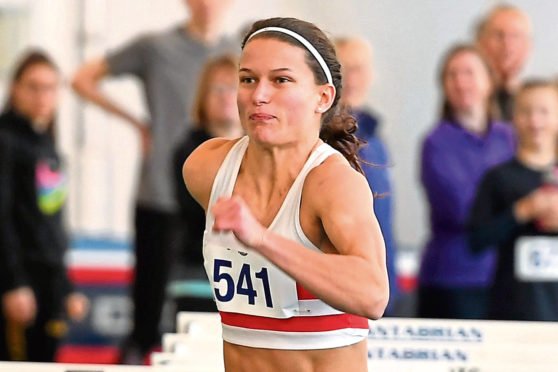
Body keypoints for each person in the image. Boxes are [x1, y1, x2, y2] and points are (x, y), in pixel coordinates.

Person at [183, 17, 389, 372]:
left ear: (323, 97)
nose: (259, 95)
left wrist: (262, 239)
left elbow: (373, 294)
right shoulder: (206, 168)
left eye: (281, 80)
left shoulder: (332, 183)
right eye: (248, 79)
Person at [71, 0, 236, 362]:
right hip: (161, 193)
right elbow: (82, 78)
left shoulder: (237, 52)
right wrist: (135, 123)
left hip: (218, 199)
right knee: (147, 314)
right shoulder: (155, 47)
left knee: (221, 316)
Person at [0, 50, 88, 362]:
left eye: (51, 88)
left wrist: (65, 286)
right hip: (19, 283)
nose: (42, 96)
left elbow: (50, 223)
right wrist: (13, 284)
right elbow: (3, 219)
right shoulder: (6, 140)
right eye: (33, 87)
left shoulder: (46, 144)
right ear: (15, 89)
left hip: (47, 282)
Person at [418, 44, 515, 319]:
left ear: (489, 81)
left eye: (469, 73)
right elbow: (463, 209)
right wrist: (518, 211)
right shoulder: (436, 142)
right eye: (452, 75)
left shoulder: (509, 136)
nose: (461, 82)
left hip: (506, 276)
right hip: (454, 277)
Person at [468, 80, 558, 321]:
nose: (535, 121)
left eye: (544, 112)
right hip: (513, 310)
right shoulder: (498, 178)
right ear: (514, 118)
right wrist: (521, 212)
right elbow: (476, 239)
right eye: (526, 112)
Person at [172, 54, 242, 307]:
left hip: (252, 276)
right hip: (197, 274)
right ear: (203, 97)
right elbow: (206, 212)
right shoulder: (188, 151)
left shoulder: (264, 148)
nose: (225, 96)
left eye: (233, 88)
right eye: (217, 89)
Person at [334, 36, 398, 314]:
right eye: (343, 70)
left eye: (358, 69)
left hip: (380, 280)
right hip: (341, 285)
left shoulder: (375, 136)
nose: (351, 79)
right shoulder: (320, 139)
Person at [476, 4, 532, 122]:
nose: (507, 44)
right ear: (481, 43)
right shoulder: (467, 95)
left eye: (515, 36)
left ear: (528, 47)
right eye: (499, 35)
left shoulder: (543, 102)